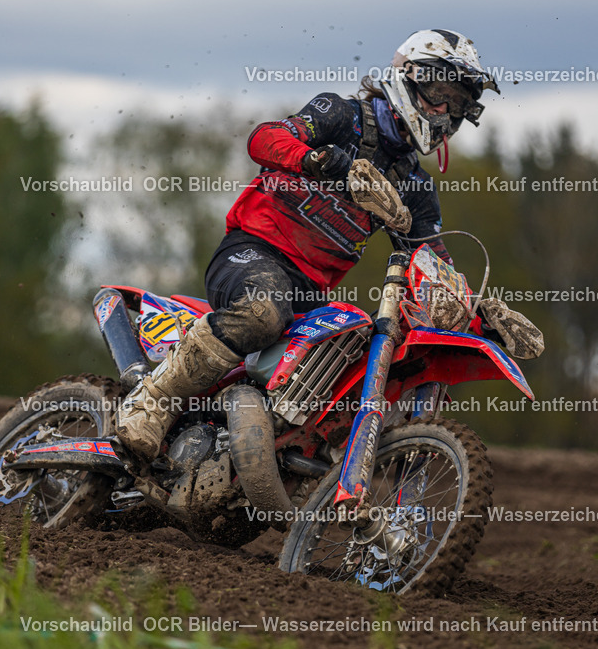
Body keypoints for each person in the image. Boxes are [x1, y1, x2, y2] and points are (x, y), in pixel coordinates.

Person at [114, 28, 543, 462]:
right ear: (408, 76)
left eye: (459, 103)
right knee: (263, 311)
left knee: (352, 355)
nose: (443, 110)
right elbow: (263, 138)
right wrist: (314, 158)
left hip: (309, 292)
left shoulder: (414, 187)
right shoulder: (343, 116)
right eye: (439, 92)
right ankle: (151, 401)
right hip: (253, 251)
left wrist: (479, 312)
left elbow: (434, 265)